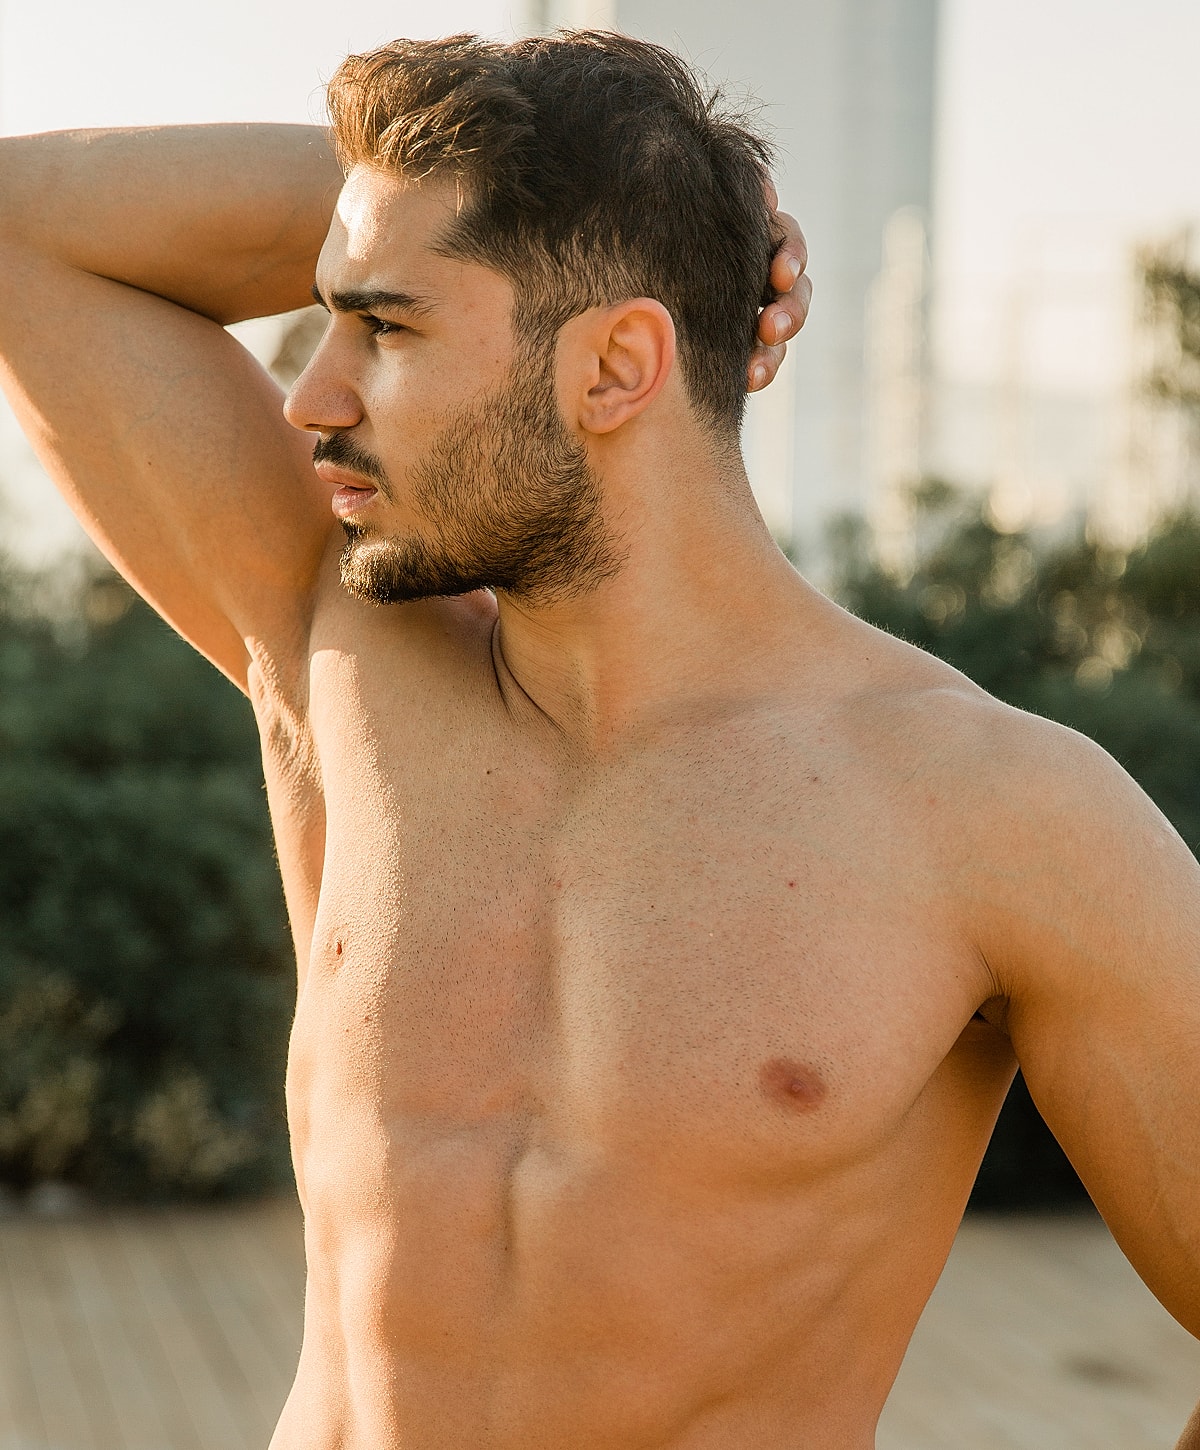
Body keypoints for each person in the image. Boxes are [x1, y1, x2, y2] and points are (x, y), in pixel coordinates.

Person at [0, 28, 1196, 1450]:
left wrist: (628, 216)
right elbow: (28, 231)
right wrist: (643, 207)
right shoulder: (347, 658)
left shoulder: (997, 811)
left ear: (620, 364)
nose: (314, 396)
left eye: (385, 328)